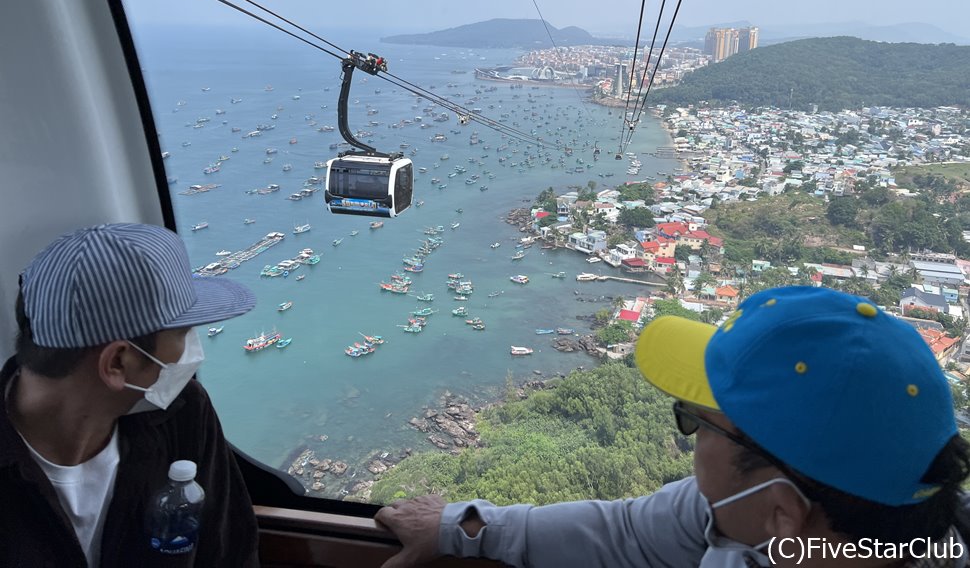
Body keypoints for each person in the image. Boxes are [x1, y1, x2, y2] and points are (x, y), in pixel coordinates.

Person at [376, 286, 970, 567]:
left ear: (783, 512)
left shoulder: (755, 520)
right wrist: (466, 527)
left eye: (695, 420)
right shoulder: (755, 520)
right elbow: (627, 533)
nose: (685, 432)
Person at [0, 223, 260, 567]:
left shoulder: (183, 413)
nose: (192, 349)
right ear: (118, 362)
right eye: (182, 332)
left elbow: (230, 555)